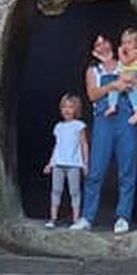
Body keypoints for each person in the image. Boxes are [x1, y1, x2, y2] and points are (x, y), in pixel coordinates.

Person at [71, 31, 137, 235]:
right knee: (95, 170)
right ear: (93, 50)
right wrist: (113, 85)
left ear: (111, 43)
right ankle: (87, 217)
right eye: (97, 44)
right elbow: (92, 95)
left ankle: (123, 217)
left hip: (127, 122)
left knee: (127, 169)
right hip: (104, 122)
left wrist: (134, 79)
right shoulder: (94, 70)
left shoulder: (129, 62)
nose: (103, 46)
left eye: (104, 42)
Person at [43, 93, 89, 228]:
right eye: (64, 107)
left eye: (70, 107)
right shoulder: (58, 126)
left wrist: (85, 163)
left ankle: (75, 219)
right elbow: (57, 145)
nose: (67, 110)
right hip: (59, 163)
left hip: (74, 164)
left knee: (74, 191)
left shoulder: (79, 125)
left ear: (76, 109)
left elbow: (84, 144)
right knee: (56, 190)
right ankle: (53, 219)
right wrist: (50, 163)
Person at [105, 27, 137, 125]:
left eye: (129, 43)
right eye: (123, 43)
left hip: (134, 76)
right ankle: (112, 106)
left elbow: (125, 62)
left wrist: (120, 52)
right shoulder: (128, 54)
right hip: (124, 79)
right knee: (114, 88)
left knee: (134, 96)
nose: (125, 46)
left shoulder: (136, 53)